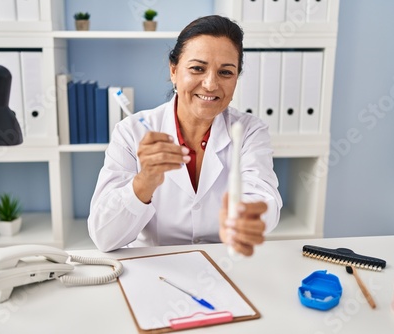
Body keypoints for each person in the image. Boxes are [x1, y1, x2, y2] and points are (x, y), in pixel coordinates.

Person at [88, 15, 282, 255]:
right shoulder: (131, 132)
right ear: (174, 71)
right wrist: (144, 181)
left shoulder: (250, 131)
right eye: (197, 69)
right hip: (155, 269)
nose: (210, 84)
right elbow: (103, 236)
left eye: (225, 72)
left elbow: (263, 197)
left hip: (223, 267)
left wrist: (249, 215)